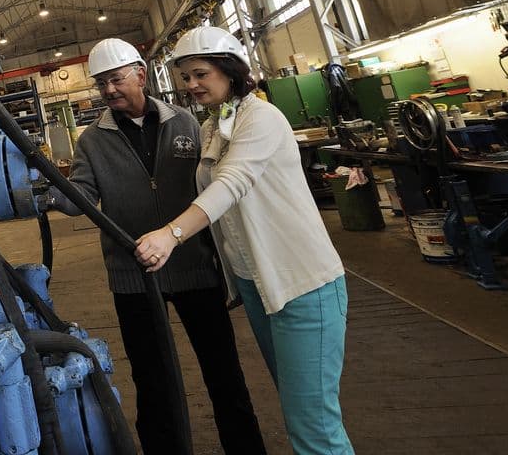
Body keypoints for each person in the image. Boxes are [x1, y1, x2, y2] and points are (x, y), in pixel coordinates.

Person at [135, 26, 353, 455]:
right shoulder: (213, 125)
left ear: (231, 71)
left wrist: (172, 234)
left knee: (314, 427)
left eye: (201, 74)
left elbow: (232, 183)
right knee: (297, 411)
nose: (192, 85)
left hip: (301, 284)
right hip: (258, 286)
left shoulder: (263, 118)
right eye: (186, 76)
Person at [50, 38, 266, 455]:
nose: (109, 90)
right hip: (133, 277)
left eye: (115, 79)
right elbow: (81, 196)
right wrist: (51, 191)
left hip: (194, 266)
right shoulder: (92, 140)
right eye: (101, 84)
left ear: (140, 75)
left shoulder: (186, 123)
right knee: (152, 379)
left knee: (223, 372)